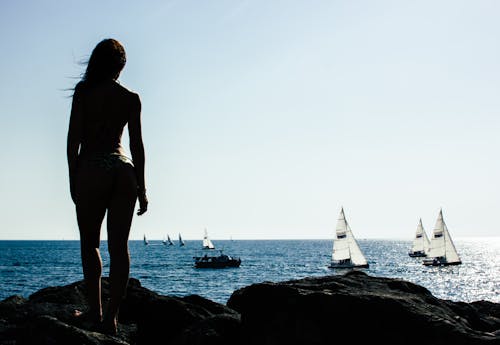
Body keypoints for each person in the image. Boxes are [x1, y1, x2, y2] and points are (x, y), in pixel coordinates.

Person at [67, 38, 148, 334]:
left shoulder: (84, 92)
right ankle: (111, 318)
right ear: (121, 66)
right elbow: (136, 145)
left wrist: (72, 176)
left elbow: (73, 139)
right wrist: (143, 187)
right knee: (119, 247)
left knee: (90, 245)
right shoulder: (130, 97)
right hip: (123, 170)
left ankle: (95, 311)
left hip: (92, 168)